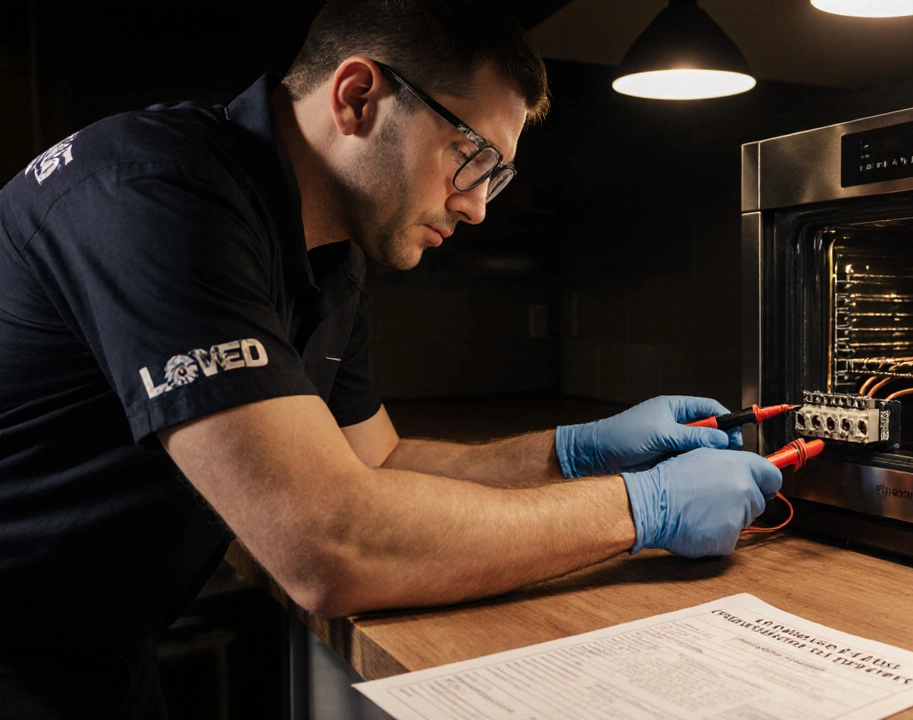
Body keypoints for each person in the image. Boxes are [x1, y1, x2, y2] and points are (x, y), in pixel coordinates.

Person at [0, 0, 783, 716]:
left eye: (497, 176)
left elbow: (376, 463)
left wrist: (574, 453)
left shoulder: (328, 252)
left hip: (90, 649)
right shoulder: (154, 195)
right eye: (468, 153)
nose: (477, 203)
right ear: (358, 97)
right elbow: (325, 544)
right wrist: (637, 508)